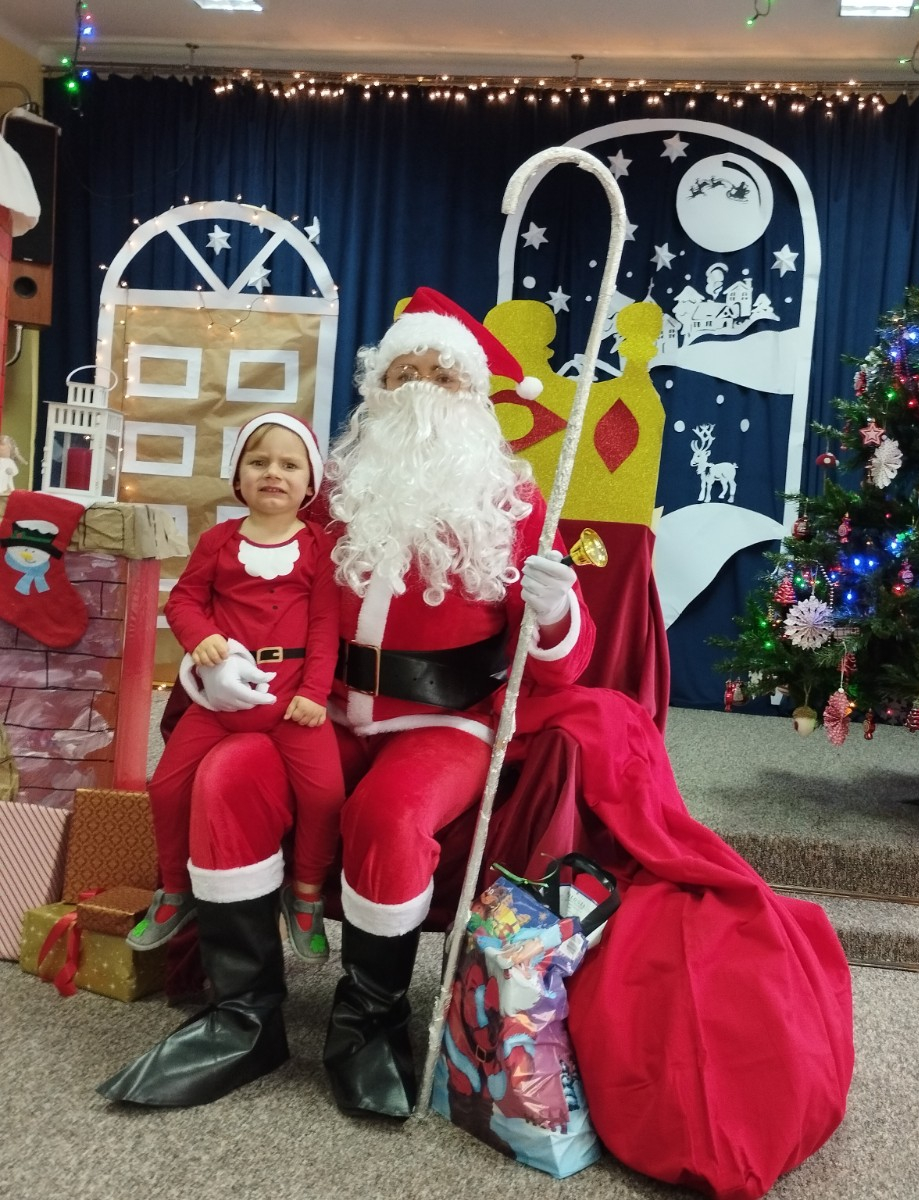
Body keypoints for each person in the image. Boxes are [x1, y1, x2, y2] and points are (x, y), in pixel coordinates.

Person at [99, 290, 853, 1200]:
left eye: (442, 373)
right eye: (404, 372)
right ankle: (244, 1017)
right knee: (228, 777)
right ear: (377, 391)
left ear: (475, 394)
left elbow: (564, 665)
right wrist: (208, 673)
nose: (422, 388)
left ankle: (368, 1021)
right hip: (318, 708)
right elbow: (239, 599)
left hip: (446, 722)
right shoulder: (329, 496)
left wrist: (556, 611)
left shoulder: (516, 504)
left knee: (392, 816)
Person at [128, 412, 342, 962]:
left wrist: (315, 692)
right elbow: (184, 600)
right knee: (166, 786)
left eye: (289, 465)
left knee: (324, 795)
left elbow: (325, 624)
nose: (273, 473)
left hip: (292, 699)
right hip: (220, 699)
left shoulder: (318, 547)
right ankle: (176, 889)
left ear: (310, 484)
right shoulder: (218, 541)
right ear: (238, 477)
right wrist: (203, 639)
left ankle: (306, 893)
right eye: (259, 461)